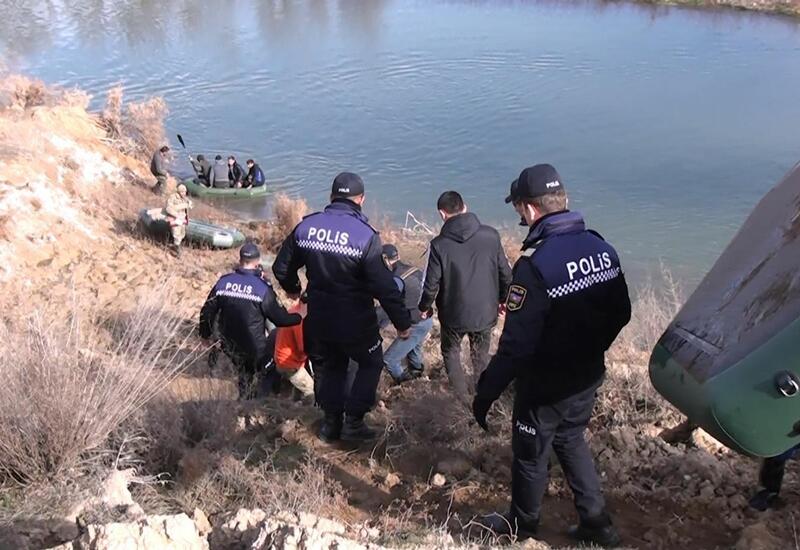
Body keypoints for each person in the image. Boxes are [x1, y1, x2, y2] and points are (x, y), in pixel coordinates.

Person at [472, 164, 631, 547]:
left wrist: (486, 392)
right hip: (587, 375)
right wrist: (589, 348)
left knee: (530, 454)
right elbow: (621, 312)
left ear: (529, 209)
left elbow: (516, 346)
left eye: (519, 210)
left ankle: (521, 525)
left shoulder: (535, 266)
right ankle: (597, 523)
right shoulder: (602, 249)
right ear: (564, 200)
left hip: (545, 386)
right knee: (570, 439)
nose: (520, 217)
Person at [272, 172, 411, 442]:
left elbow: (281, 267)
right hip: (355, 320)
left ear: (331, 196)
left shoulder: (307, 227)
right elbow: (384, 286)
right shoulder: (365, 236)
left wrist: (293, 288)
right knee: (371, 363)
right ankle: (354, 422)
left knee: (331, 368)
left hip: (319, 317)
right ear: (361, 199)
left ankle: (331, 424)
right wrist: (402, 323)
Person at [417, 191, 512, 402]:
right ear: (465, 207)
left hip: (453, 315)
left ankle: (462, 400)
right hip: (485, 311)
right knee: (480, 356)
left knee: (451, 353)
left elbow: (430, 284)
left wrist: (424, 307)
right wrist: (503, 299)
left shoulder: (438, 245)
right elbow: (506, 273)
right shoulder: (491, 236)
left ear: (442, 214)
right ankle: (484, 398)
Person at [199, 243, 302, 400]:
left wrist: (205, 335)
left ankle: (244, 398)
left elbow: (207, 311)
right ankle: (262, 402)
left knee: (243, 372)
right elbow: (280, 319)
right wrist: (299, 317)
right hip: (255, 347)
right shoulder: (262, 288)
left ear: (240, 260)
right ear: (257, 261)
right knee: (270, 366)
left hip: (229, 345)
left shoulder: (223, 282)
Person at [379, 244, 433, 384]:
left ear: (385, 259)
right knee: (413, 351)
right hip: (426, 319)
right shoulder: (414, 270)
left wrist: (378, 324)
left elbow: (390, 305)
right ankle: (419, 377)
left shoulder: (396, 279)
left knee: (389, 360)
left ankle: (404, 385)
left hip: (415, 324)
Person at [268, 293, 315, 400]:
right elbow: (302, 348)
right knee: (312, 392)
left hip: (283, 360)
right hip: (290, 364)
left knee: (296, 395)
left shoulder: (293, 311)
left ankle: (293, 407)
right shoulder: (299, 320)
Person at [749, 444, 800, 511]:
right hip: (776, 460)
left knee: (788, 448)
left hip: (776, 459)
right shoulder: (771, 491)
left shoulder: (770, 491)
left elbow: (753, 502)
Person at [164, 183, 193, 257]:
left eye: (185, 192)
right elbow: (168, 208)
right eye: (182, 192)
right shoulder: (173, 197)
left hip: (182, 218)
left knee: (182, 233)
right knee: (176, 233)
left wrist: (189, 204)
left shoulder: (184, 198)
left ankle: (176, 245)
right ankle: (177, 250)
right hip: (175, 218)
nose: (184, 193)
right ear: (179, 191)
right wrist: (176, 215)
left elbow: (189, 204)